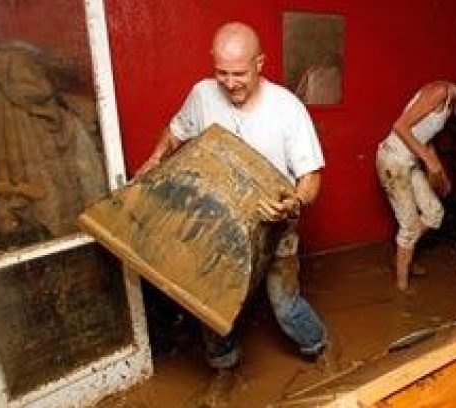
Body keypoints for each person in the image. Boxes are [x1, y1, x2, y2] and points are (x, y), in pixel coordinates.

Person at [135, 22, 328, 372]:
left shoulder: (287, 109)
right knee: (209, 295)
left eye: (239, 73)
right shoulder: (203, 94)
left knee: (283, 303)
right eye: (221, 72)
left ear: (260, 63)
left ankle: (316, 343)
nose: (230, 83)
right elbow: (177, 131)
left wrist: (294, 203)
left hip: (274, 223)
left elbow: (311, 176)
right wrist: (154, 159)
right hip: (217, 221)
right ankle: (223, 360)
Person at [376, 63, 456, 291]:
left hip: (409, 160)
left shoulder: (451, 106)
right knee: (409, 227)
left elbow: (424, 136)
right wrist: (428, 160)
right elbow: (400, 126)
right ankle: (402, 290)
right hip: (392, 159)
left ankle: (403, 253)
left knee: (435, 213)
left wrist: (438, 168)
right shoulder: (440, 91)